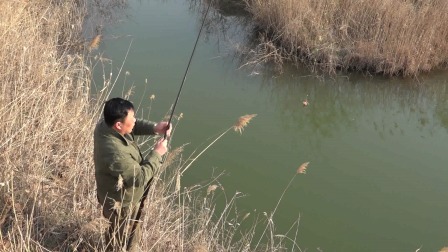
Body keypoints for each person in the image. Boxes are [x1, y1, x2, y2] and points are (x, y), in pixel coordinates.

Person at [94, 97, 170, 251]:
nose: (135, 120)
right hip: (121, 204)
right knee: (123, 241)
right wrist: (157, 154)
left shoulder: (106, 125)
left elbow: (131, 127)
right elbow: (139, 178)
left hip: (117, 197)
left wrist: (154, 128)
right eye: (132, 118)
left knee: (117, 234)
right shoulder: (115, 152)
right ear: (118, 124)